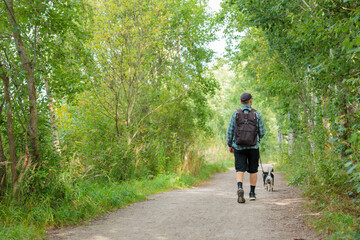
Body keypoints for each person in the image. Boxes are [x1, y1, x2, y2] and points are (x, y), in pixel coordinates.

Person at [227, 92, 265, 203]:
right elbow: (262, 132)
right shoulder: (256, 114)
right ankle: (252, 193)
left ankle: (240, 188)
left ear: (241, 102)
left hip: (238, 146)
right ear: (251, 101)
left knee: (240, 169)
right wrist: (258, 138)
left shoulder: (236, 114)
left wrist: (230, 144)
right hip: (253, 146)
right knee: (253, 170)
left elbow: (230, 131)